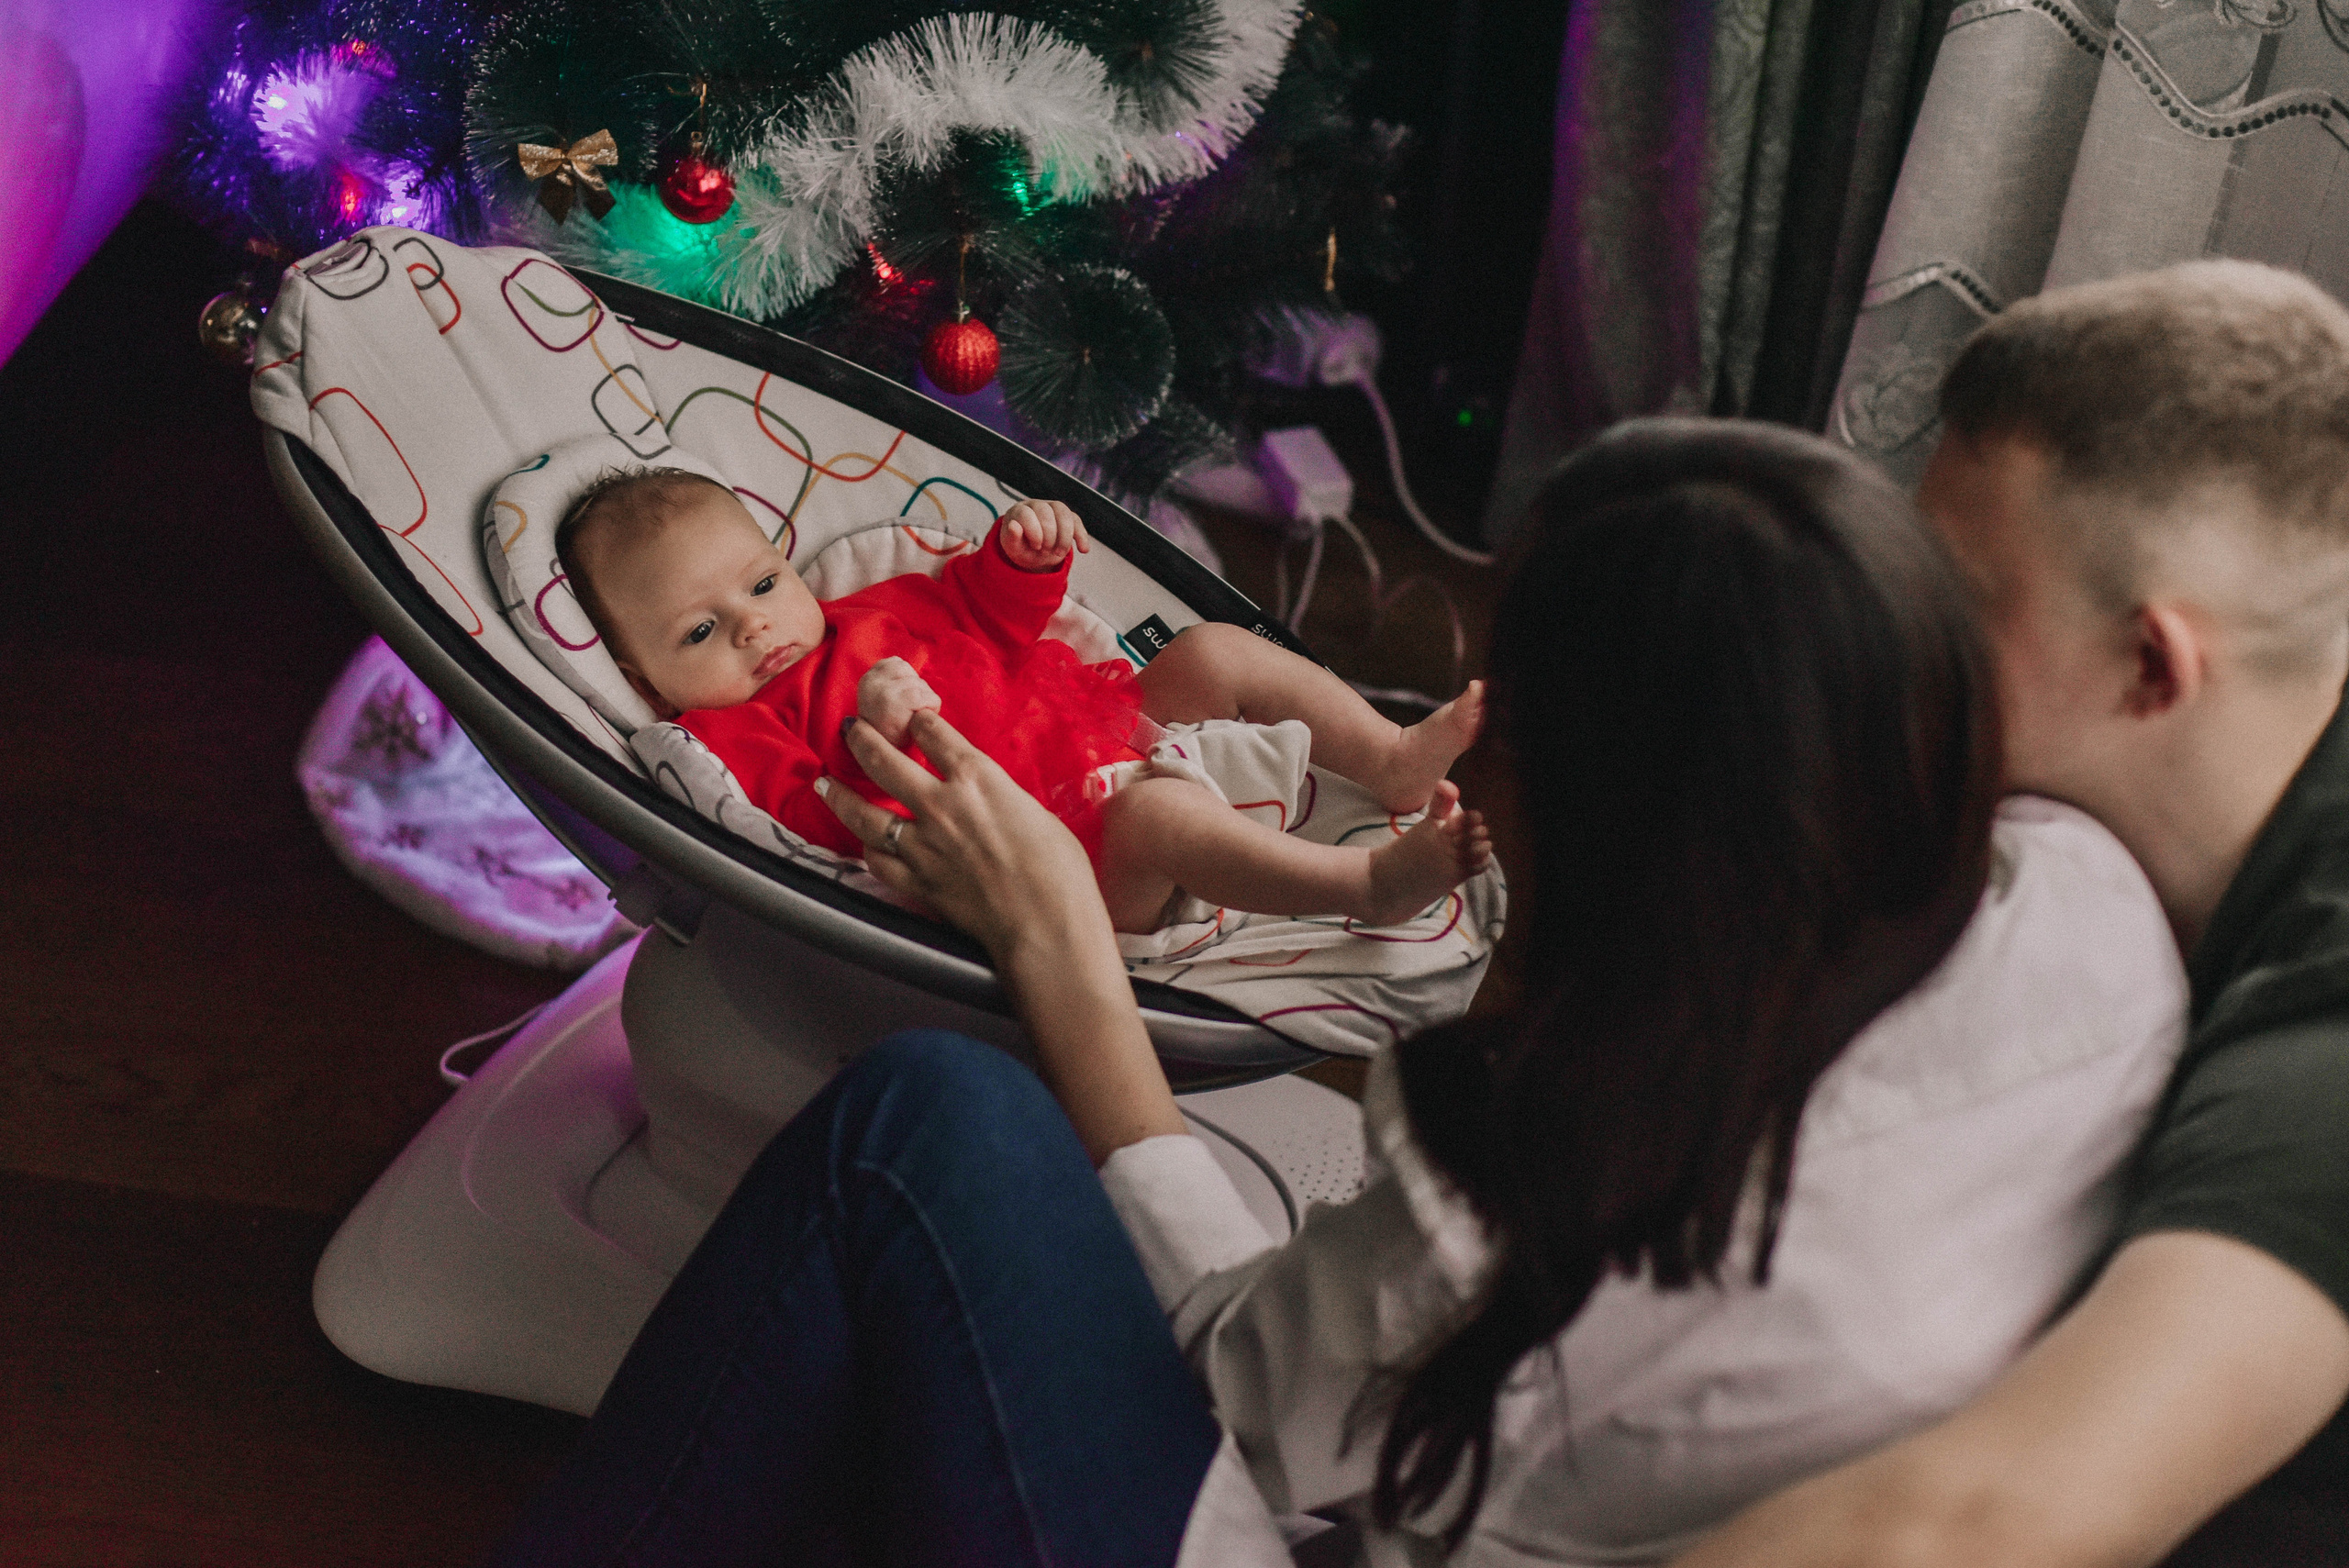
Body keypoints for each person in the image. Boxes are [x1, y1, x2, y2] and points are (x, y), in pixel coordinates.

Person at [483, 422, 2185, 1567]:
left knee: (921, 1112)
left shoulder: (1521, 1195)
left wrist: (1065, 944)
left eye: (1503, 711)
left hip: (1291, 1523)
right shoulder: (2086, 904)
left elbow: (1242, 1374)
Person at [1669, 261, 2349, 1567]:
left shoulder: (2318, 1074)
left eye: (1958, 600)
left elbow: (1963, 1526)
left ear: (2153, 664)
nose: (1898, 639)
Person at [556, 476, 1489, 932]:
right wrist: (869, 736)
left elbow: (986, 614)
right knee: (1154, 816)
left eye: (761, 584)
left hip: (1092, 721)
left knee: (1209, 649)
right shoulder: (730, 730)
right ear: (644, 682)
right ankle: (1363, 888)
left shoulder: (865, 605)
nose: (754, 628)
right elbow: (817, 822)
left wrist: (1022, 558)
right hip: (1051, 855)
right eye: (698, 633)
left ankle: (1390, 752)